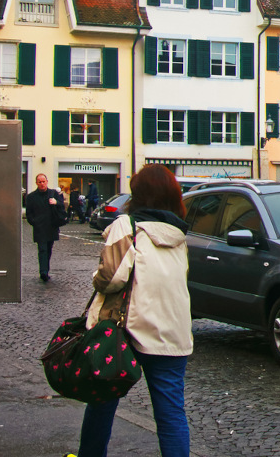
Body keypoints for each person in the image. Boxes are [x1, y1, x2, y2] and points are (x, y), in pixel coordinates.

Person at [77, 164, 191, 457]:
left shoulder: (126, 225)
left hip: (125, 331)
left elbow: (110, 278)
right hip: (172, 333)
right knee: (171, 415)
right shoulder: (179, 234)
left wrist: (95, 277)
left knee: (102, 404)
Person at [23, 174, 66, 283]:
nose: (42, 184)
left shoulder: (54, 194)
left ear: (47, 181)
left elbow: (62, 207)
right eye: (39, 182)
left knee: (49, 249)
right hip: (40, 228)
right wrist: (35, 223)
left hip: (51, 226)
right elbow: (29, 214)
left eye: (43, 181)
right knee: (42, 249)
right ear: (36, 183)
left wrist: (56, 202)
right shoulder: (31, 197)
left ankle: (46, 269)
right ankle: (43, 272)